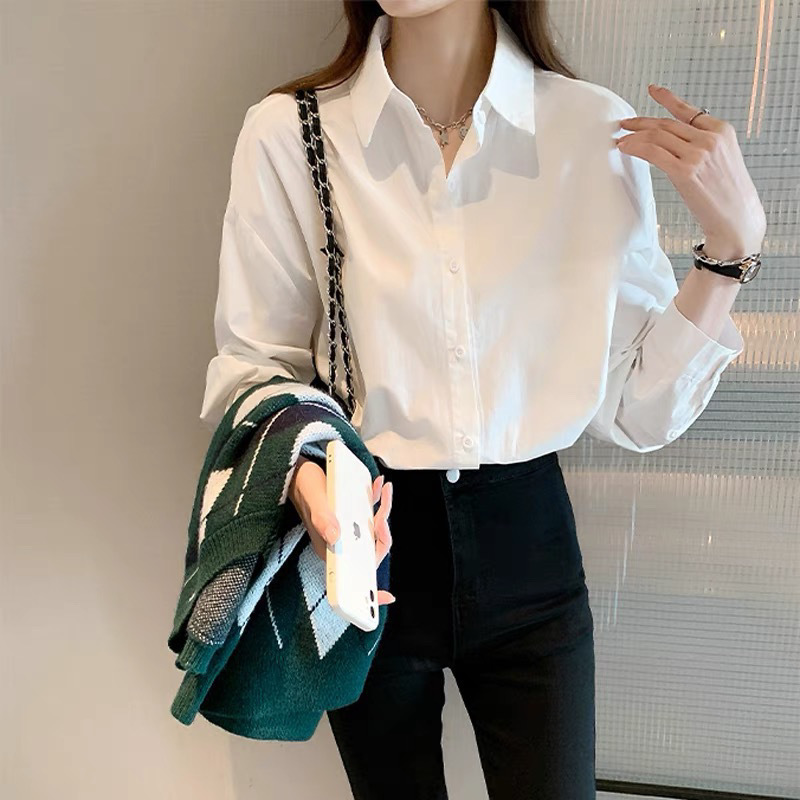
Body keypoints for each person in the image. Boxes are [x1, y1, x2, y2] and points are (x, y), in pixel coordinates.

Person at [199, 1, 763, 796]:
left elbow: (635, 409)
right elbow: (257, 365)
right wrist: (307, 482)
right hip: (363, 536)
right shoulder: (292, 133)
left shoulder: (588, 130)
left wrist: (728, 255)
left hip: (530, 550)